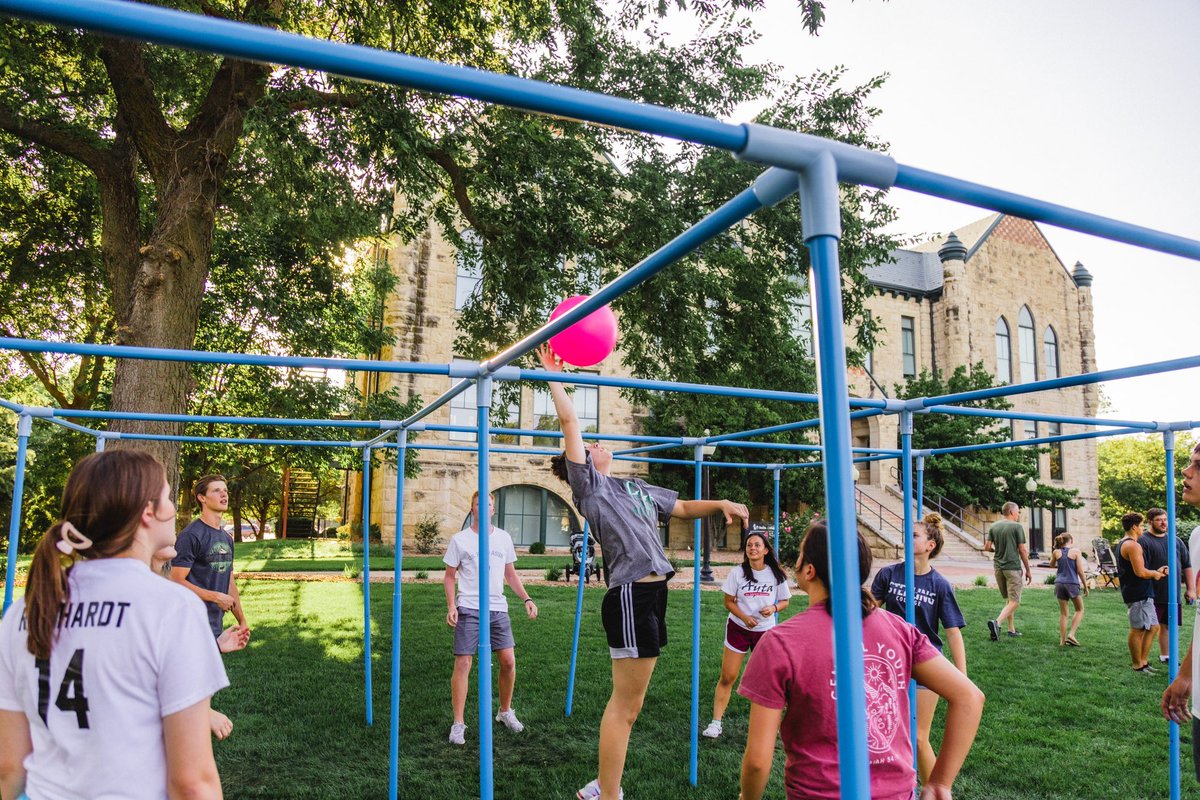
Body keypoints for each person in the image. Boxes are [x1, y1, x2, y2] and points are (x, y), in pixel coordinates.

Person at [536, 344, 749, 800]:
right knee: (626, 706)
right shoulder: (589, 487)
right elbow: (570, 422)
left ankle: (603, 786)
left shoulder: (634, 486)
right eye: (589, 446)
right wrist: (552, 372)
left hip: (653, 593)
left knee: (633, 705)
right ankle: (607, 792)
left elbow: (683, 508)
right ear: (582, 462)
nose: (596, 444)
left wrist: (721, 503)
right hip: (631, 594)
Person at [0, 451, 227, 799]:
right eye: (168, 496)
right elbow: (192, 783)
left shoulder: (24, 611)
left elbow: (8, 767)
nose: (172, 509)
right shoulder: (171, 608)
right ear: (148, 511)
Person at [738, 521, 984, 800]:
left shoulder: (780, 642)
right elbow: (969, 697)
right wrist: (940, 783)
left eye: (800, 554)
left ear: (809, 569)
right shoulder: (900, 630)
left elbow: (757, 762)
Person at [869, 513, 967, 784]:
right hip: (890, 662)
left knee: (919, 738)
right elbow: (869, 611)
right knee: (884, 732)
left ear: (929, 546)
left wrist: (961, 676)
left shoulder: (940, 585)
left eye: (915, 535)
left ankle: (936, 790)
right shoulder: (889, 574)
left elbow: (952, 632)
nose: (908, 538)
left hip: (925, 662)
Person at [443, 490, 538, 746]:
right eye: (478, 504)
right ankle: (458, 724)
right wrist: (451, 605)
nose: (483, 508)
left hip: (497, 608)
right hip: (469, 607)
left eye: (487, 504)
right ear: (472, 509)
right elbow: (450, 576)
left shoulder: (503, 538)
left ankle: (504, 711)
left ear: (493, 510)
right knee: (463, 663)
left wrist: (527, 599)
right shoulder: (460, 540)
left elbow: (511, 575)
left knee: (508, 661)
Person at [700, 531, 790, 740]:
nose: (753, 548)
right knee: (728, 676)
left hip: (764, 631)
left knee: (768, 679)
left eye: (757, 545)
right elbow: (728, 602)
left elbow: (785, 601)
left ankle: (772, 724)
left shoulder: (775, 574)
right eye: (749, 545)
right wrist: (745, 617)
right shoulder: (738, 573)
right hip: (738, 628)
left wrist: (774, 608)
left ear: (765, 550)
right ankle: (716, 723)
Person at [170, 474, 250, 641]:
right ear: (202, 498)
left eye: (225, 490)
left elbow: (229, 582)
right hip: (189, 625)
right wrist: (216, 597)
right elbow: (176, 581)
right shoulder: (191, 535)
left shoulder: (227, 538)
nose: (224, 494)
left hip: (214, 625)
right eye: (216, 490)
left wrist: (242, 621)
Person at [1163, 441, 1200, 780]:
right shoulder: (1198, 538)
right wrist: (1186, 675)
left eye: (1198, 466)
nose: (1186, 472)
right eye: (1189, 463)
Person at [1116, 511, 1169, 673]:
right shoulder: (1132, 545)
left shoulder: (1126, 543)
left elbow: (1140, 570)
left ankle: (1143, 662)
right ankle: (1137, 665)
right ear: (1134, 527)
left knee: (1153, 627)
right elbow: (1140, 572)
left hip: (1143, 591)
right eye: (1141, 525)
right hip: (1137, 592)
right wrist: (1155, 574)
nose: (1143, 528)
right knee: (1137, 629)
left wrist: (1155, 571)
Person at [1142, 506, 1195, 663]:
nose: (1164, 523)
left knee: (1169, 625)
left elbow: (1187, 565)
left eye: (1165, 519)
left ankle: (1166, 656)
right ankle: (1141, 659)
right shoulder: (1143, 540)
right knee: (1149, 627)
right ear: (1150, 522)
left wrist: (1191, 589)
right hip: (1151, 592)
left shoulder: (1176, 540)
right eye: (1159, 520)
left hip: (1173, 593)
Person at [984, 501, 1032, 641]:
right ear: (1011, 512)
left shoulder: (994, 526)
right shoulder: (1017, 527)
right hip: (1012, 568)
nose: (1018, 514)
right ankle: (997, 623)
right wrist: (1028, 570)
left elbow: (987, 547)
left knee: (1009, 600)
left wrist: (997, 550)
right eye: (1018, 512)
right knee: (1015, 601)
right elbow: (1022, 550)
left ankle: (1011, 629)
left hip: (998, 568)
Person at [1049, 533, 1088, 647]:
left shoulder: (1056, 552)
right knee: (1080, 609)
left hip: (1059, 583)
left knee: (1063, 613)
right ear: (1070, 541)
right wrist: (1085, 586)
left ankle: (1062, 641)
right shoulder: (1076, 552)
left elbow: (1051, 565)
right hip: (1072, 583)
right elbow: (1080, 571)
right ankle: (1071, 634)